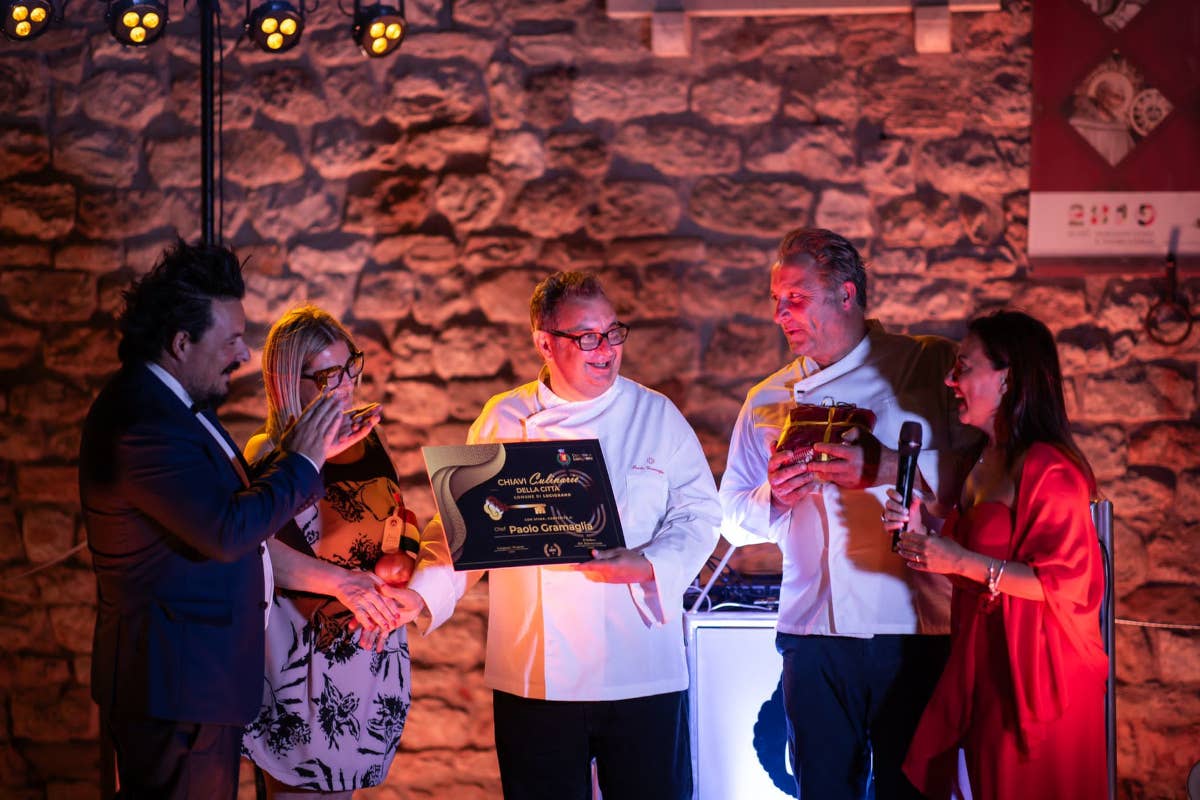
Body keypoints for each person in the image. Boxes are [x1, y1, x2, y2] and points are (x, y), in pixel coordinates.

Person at [395, 271, 721, 800]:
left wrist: (649, 563)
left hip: (640, 666)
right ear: (544, 343)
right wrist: (419, 592)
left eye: (614, 332)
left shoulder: (655, 414)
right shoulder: (504, 417)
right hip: (535, 673)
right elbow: (465, 529)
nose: (606, 349)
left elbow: (700, 514)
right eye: (586, 336)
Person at [80, 241, 383, 798]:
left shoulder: (174, 408)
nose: (244, 355)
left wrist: (304, 453)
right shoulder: (143, 423)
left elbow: (238, 510)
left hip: (197, 687)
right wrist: (304, 459)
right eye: (232, 340)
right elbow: (227, 531)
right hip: (174, 688)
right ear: (181, 342)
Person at [719, 228, 977, 799]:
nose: (782, 314)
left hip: (911, 627)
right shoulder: (766, 398)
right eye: (776, 302)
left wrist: (886, 466)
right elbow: (731, 518)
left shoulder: (924, 364)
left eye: (797, 298)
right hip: (810, 632)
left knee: (911, 791)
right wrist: (776, 500)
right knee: (822, 788)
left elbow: (977, 474)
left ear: (847, 294)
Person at [885, 310, 1109, 800]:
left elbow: (1063, 583)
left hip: (1039, 673)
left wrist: (956, 559)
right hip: (984, 662)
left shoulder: (1051, 468)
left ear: (1007, 378)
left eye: (963, 366)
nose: (950, 379)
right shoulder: (980, 460)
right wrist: (925, 532)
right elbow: (975, 562)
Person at [241, 306, 421, 798]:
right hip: (305, 655)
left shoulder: (367, 436)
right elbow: (254, 549)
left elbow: (395, 519)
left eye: (351, 368)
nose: (344, 386)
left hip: (369, 649)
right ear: (286, 381)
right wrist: (345, 584)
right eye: (326, 375)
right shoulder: (268, 452)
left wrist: (400, 562)